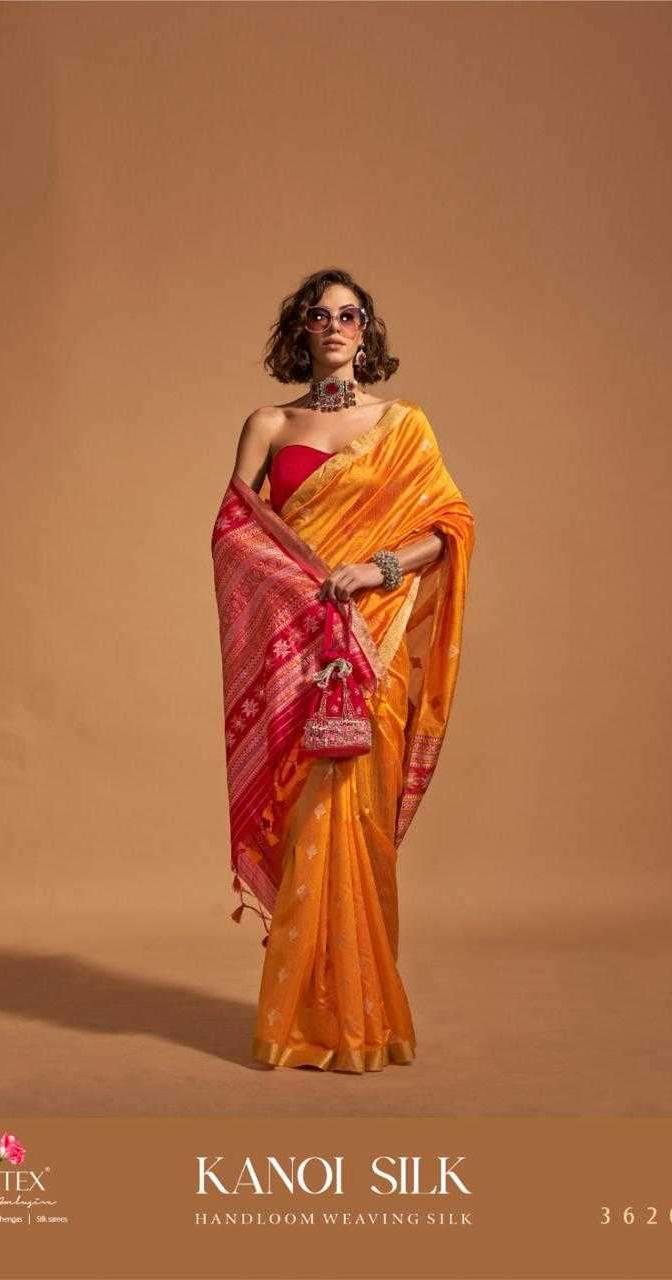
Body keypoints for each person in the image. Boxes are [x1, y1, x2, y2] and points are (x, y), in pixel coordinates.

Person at [211, 267, 475, 1073]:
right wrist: (303, 587)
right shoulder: (269, 423)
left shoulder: (402, 426)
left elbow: (450, 525)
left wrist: (376, 569)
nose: (334, 326)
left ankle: (364, 1018)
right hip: (298, 650)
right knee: (306, 827)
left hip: (374, 645)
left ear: (367, 332)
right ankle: (300, 1019)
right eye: (319, 315)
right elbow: (233, 537)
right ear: (302, 329)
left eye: (349, 315)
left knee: (357, 827)